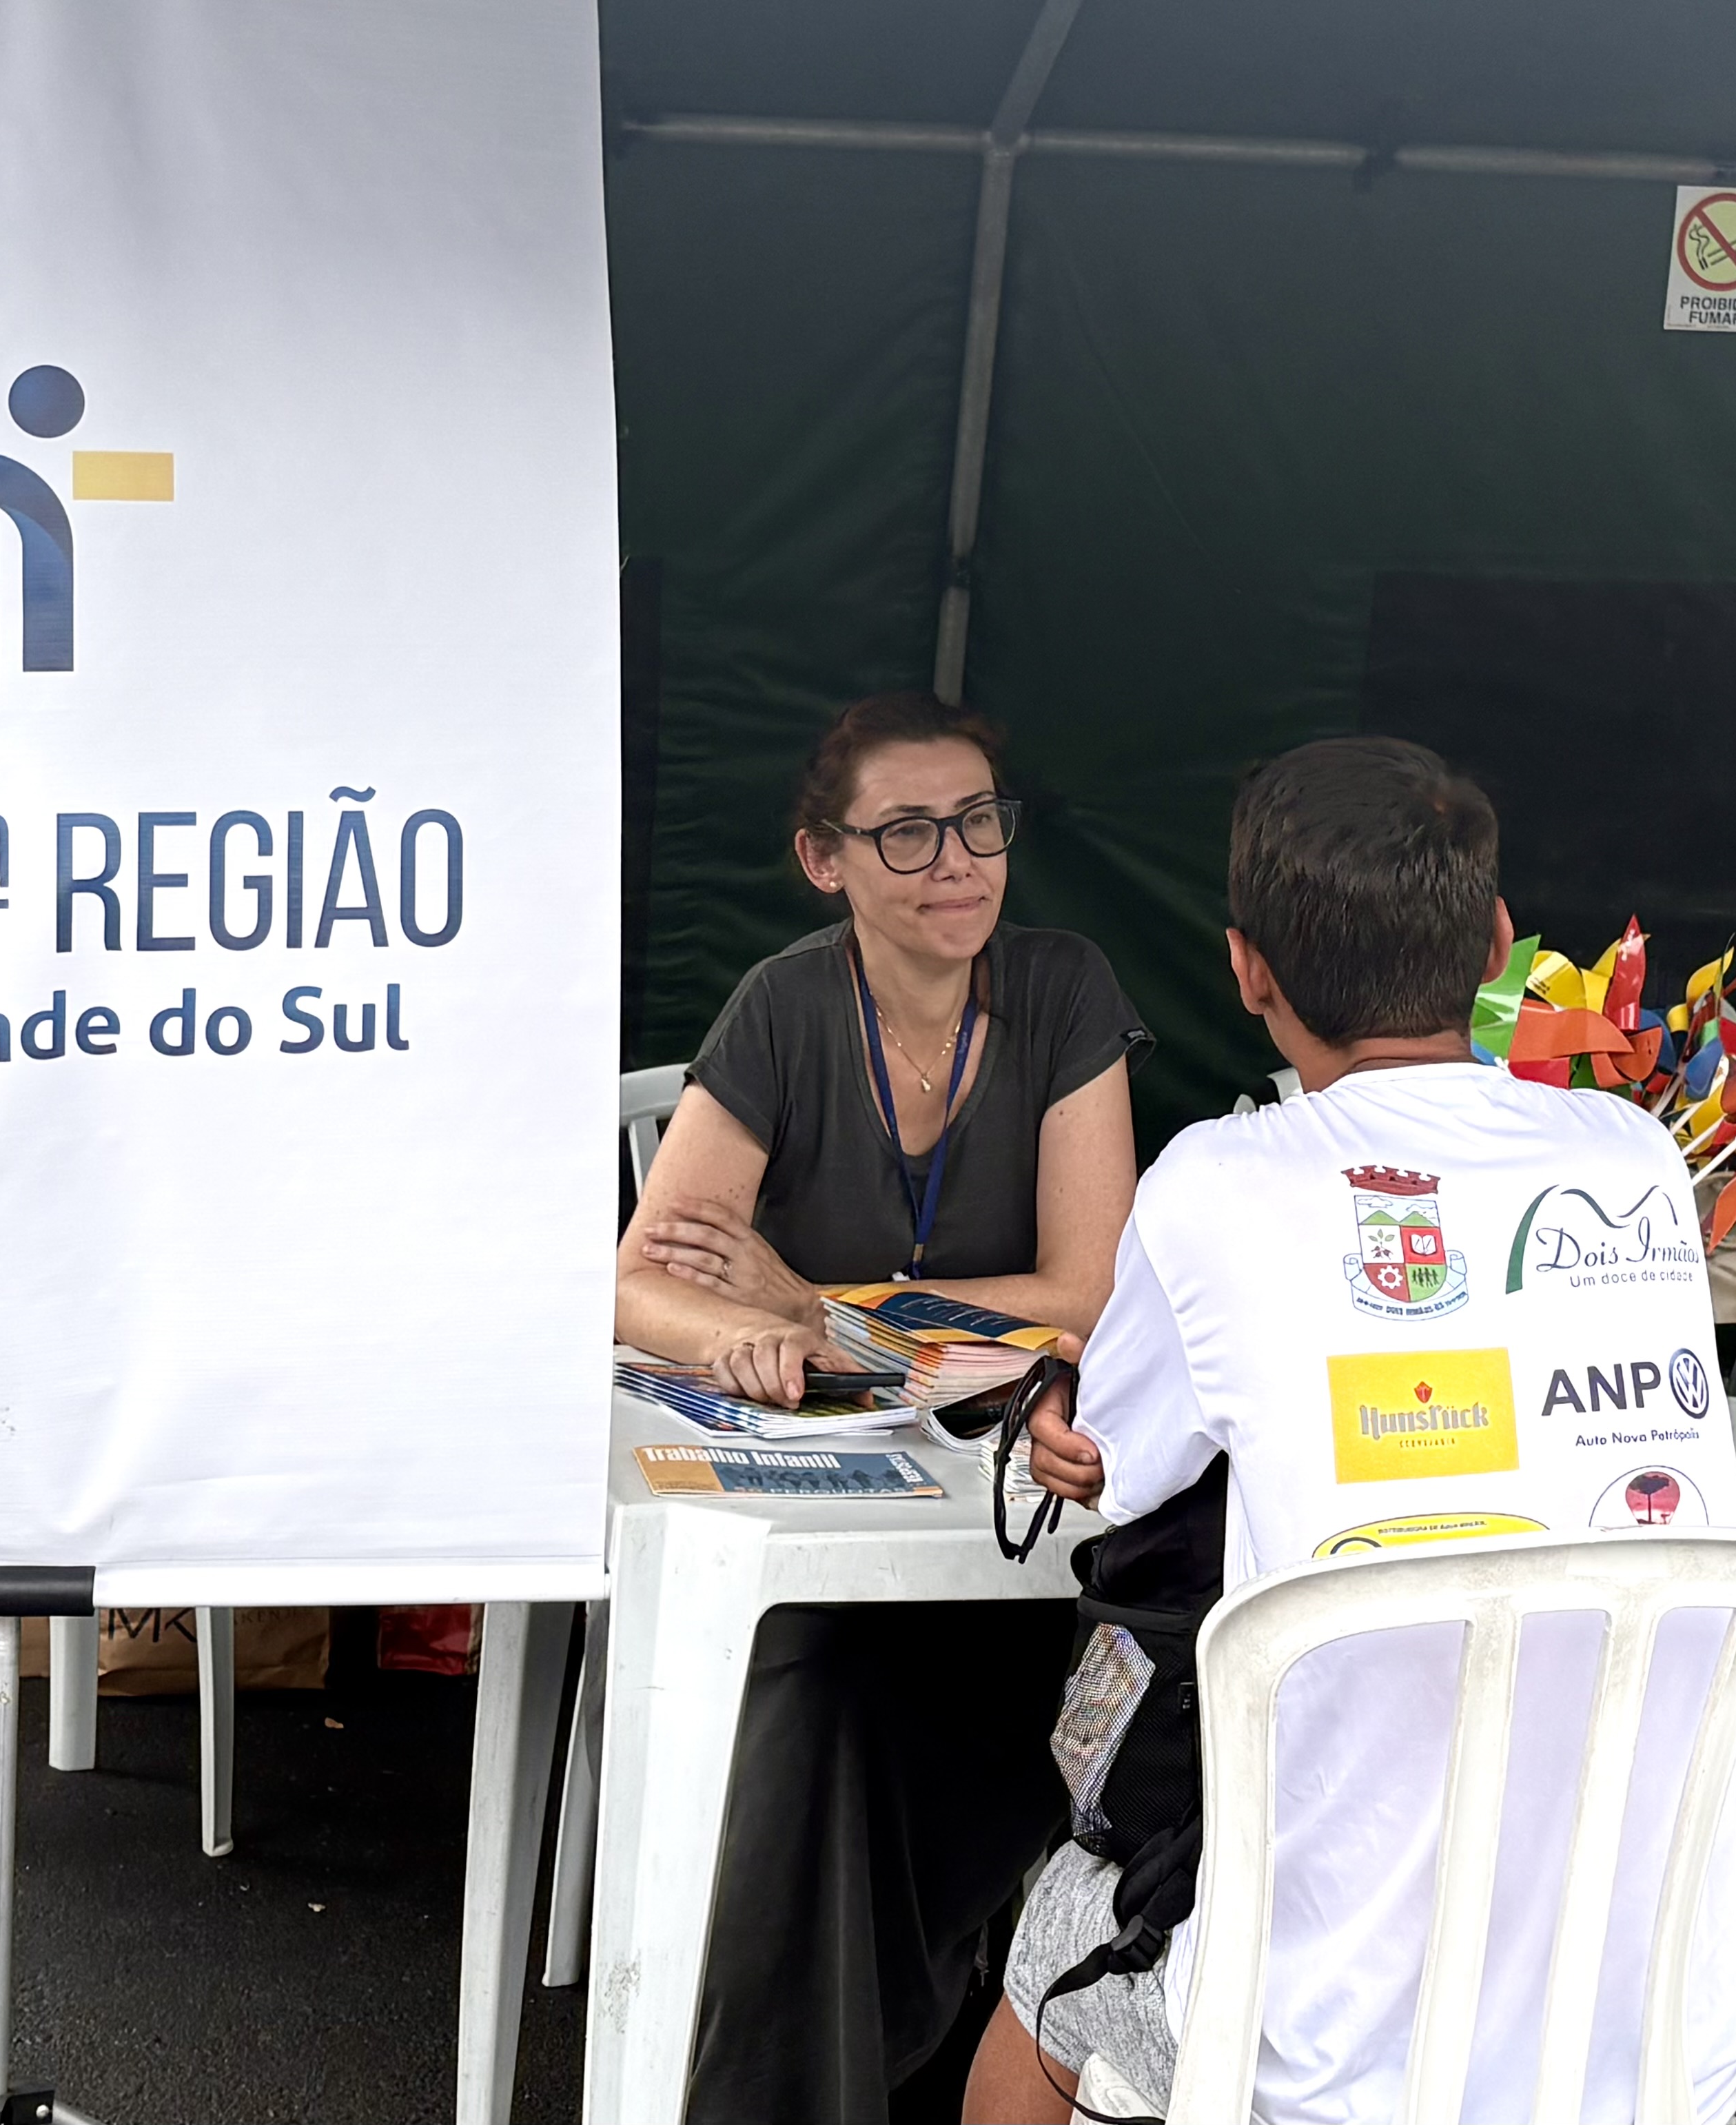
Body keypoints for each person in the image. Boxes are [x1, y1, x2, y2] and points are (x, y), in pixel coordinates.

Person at [966, 737, 1736, 2124]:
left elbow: (1116, 1467)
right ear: (1500, 946)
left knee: (1047, 1978)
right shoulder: (1630, 1153)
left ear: (1244, 969)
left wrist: (1063, 1411)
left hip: (1322, 2035)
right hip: (1670, 2030)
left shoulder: (1216, 1180)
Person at [615, 691, 1152, 2125]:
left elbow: (1086, 1295)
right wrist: (749, 1322)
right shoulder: (783, 1008)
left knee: (951, 1695)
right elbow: (638, 1282)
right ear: (823, 859)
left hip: (1013, 1529)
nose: (955, 861)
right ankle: (802, 2076)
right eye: (904, 833)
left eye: (976, 821)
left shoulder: (1062, 989)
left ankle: (846, 2047)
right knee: (814, 1687)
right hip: (830, 1538)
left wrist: (808, 1305)